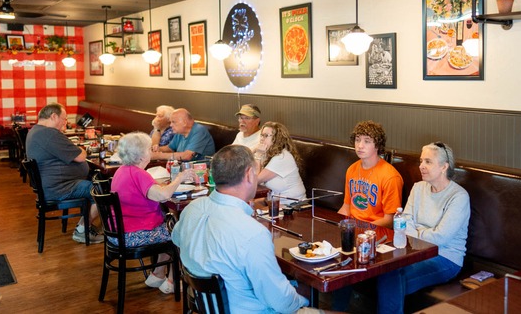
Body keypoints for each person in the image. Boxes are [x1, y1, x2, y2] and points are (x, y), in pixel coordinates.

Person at [171, 145, 319, 313]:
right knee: (306, 292)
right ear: (249, 175)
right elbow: (281, 302)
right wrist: (304, 296)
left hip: (206, 305)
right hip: (251, 310)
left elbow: (177, 239)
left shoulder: (192, 208)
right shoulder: (253, 233)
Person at [377, 142, 470, 314]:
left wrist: (414, 231)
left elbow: (440, 238)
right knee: (387, 271)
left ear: (444, 167)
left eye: (428, 162)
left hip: (445, 257)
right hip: (415, 252)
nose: (421, 166)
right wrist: (416, 231)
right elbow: (404, 221)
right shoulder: (418, 187)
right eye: (421, 161)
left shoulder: (459, 197)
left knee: (391, 277)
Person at [110, 132, 195, 294]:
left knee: (168, 228)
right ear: (142, 156)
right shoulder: (139, 174)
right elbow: (163, 196)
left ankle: (158, 274)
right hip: (133, 234)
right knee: (181, 232)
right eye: (149, 149)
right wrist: (179, 178)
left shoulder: (122, 170)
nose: (152, 152)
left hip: (119, 232)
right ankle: (173, 281)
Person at [25, 102, 103, 244]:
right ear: (54, 117)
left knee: (95, 183)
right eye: (64, 119)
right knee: (100, 190)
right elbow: (81, 156)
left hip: (52, 186)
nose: (65, 123)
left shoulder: (35, 131)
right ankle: (82, 230)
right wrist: (81, 150)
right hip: (60, 189)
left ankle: (88, 226)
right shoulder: (49, 134)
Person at [337, 120, 402, 229]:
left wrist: (364, 231)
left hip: (375, 231)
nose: (360, 146)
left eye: (367, 141)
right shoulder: (351, 169)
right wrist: (336, 226)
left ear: (377, 146)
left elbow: (389, 220)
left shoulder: (391, 177)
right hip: (352, 228)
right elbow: (346, 206)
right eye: (357, 140)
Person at [254, 122, 306, 204]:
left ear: (277, 139)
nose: (262, 139)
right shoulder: (268, 154)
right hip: (273, 201)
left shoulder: (282, 157)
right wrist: (255, 150)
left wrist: (258, 155)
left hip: (293, 205)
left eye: (266, 136)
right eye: (261, 135)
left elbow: (255, 180)